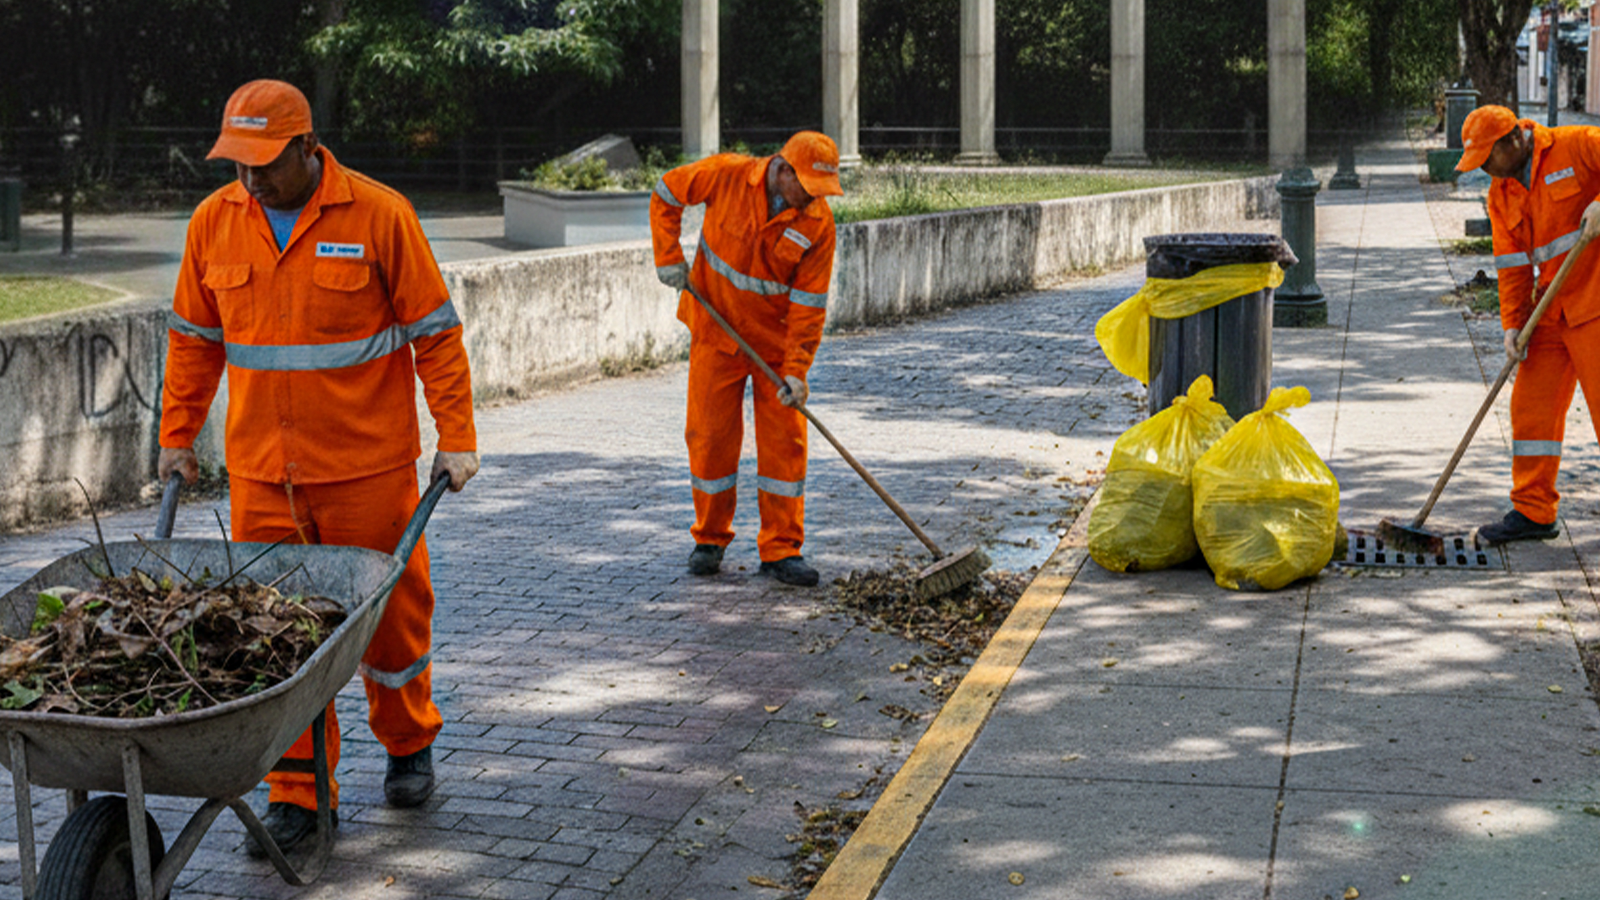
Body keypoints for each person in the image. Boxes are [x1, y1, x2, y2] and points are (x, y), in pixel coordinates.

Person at [158, 79, 479, 854]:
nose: (252, 177)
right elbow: (194, 342)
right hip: (265, 475)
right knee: (274, 638)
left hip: (368, 470)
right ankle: (300, 791)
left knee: (392, 625)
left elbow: (434, 332)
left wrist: (457, 434)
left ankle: (408, 744)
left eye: (266, 161)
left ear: (308, 146)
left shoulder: (377, 215)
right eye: (239, 161)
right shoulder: (215, 223)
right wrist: (177, 435)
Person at [649, 132, 844, 586]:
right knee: (709, 436)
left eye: (821, 191)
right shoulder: (728, 176)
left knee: (785, 447)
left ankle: (781, 549)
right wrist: (668, 256)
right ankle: (710, 539)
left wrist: (796, 373)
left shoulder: (818, 224)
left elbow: (809, 306)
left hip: (774, 349)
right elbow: (666, 193)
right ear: (783, 171)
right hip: (716, 331)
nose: (814, 199)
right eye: (809, 188)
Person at [1456, 104, 1600, 544]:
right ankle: (1534, 511)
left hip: (1595, 302)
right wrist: (1513, 327)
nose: (1483, 168)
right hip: (1551, 312)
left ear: (1513, 140)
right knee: (1530, 409)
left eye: (1486, 157)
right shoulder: (1500, 195)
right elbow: (1513, 268)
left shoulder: (1577, 145)